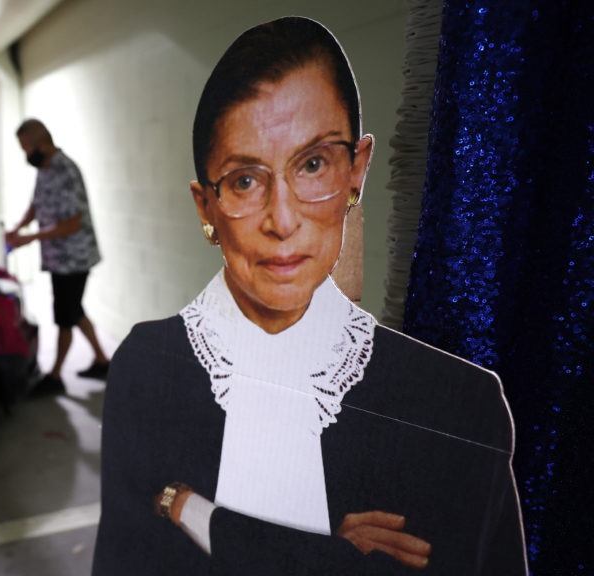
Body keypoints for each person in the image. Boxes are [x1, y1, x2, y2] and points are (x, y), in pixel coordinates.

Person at [92, 17, 526, 575]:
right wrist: (331, 553)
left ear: (357, 171)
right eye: (246, 179)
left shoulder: (459, 405)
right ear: (207, 208)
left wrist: (186, 507)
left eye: (313, 164)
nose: (283, 218)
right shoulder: (148, 368)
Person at [5, 119, 111, 393]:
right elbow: (36, 204)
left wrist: (30, 238)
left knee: (64, 317)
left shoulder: (66, 170)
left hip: (74, 259)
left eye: (27, 148)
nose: (26, 155)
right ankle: (102, 360)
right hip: (58, 259)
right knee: (74, 310)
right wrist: (19, 227)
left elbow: (72, 224)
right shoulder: (45, 169)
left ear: (42, 143)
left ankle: (54, 377)